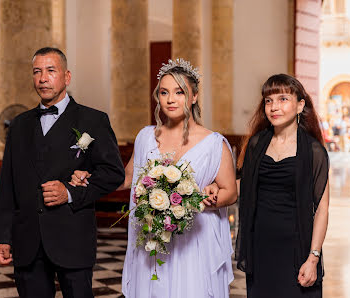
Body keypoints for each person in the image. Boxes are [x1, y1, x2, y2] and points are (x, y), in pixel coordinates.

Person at [70, 58, 238, 297]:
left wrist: (196, 203)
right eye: (164, 92)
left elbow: (229, 191)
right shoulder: (146, 137)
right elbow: (128, 178)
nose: (170, 99)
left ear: (194, 96)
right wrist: (91, 178)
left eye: (179, 92)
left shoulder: (214, 144)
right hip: (153, 238)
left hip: (194, 243)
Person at [0, 47, 125, 297]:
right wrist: (2, 237)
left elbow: (113, 173)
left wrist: (71, 192)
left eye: (51, 71)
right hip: (27, 242)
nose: (43, 78)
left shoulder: (93, 120)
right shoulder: (18, 126)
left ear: (67, 76)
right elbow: (6, 186)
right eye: (37, 72)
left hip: (72, 239)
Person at [235, 74, 330, 297]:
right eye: (269, 100)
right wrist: (212, 191)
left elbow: (322, 209)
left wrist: (313, 257)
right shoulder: (256, 144)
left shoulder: (314, 151)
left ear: (300, 105)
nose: (274, 107)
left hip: (297, 250)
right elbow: (243, 186)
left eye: (283, 99)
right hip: (260, 248)